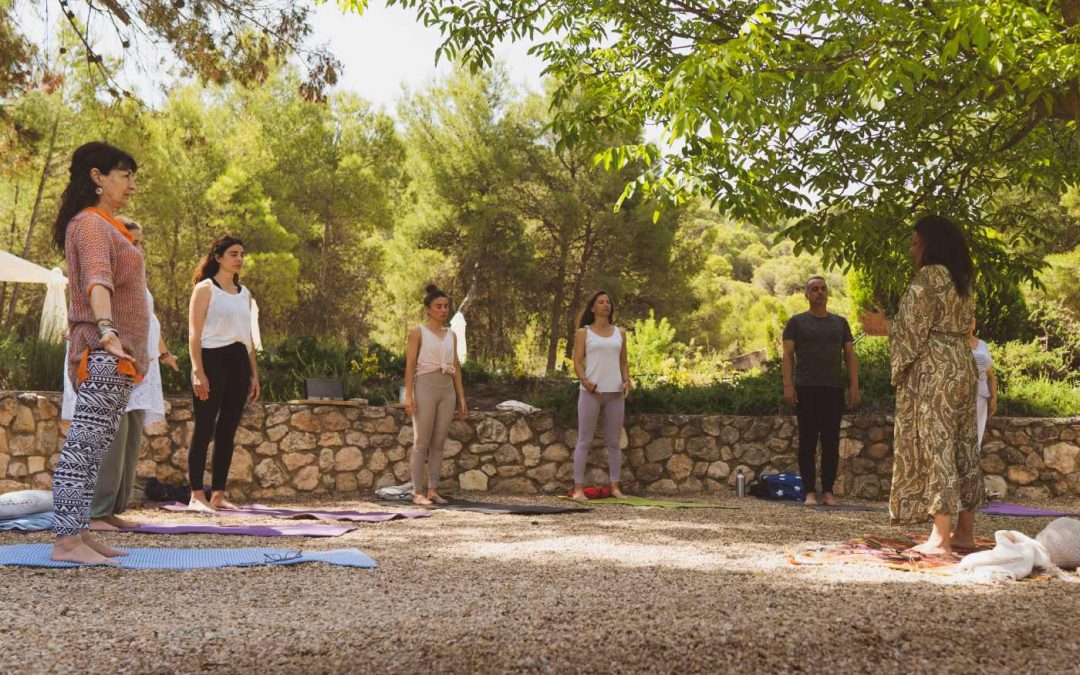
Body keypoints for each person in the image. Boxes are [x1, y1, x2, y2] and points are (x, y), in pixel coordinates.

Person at [860, 214, 982, 556]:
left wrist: (882, 326)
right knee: (964, 447)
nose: (912, 249)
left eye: (916, 243)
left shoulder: (928, 277)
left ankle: (940, 539)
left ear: (931, 244)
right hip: (962, 363)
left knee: (937, 445)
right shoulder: (962, 278)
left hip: (935, 371)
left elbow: (913, 329)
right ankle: (964, 534)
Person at [50, 141, 146, 564]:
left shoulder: (108, 225)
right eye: (124, 175)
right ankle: (66, 542)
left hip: (116, 358)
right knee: (83, 447)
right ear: (97, 177)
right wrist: (107, 329)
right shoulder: (90, 224)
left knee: (96, 447)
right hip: (102, 351)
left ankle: (80, 533)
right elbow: (96, 279)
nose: (131, 185)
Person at [61, 217, 180, 530]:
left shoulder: (134, 276)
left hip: (141, 366)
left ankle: (114, 508)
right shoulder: (103, 271)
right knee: (110, 440)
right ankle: (96, 512)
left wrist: (163, 353)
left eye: (139, 242)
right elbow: (88, 309)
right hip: (112, 360)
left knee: (130, 439)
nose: (136, 246)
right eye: (131, 240)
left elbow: (149, 320)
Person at [186, 235, 261, 511]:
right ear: (218, 257)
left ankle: (218, 494)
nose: (239, 258)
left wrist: (254, 375)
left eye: (242, 254)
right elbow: (194, 334)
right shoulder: (205, 289)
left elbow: (249, 338)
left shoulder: (245, 294)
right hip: (212, 360)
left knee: (228, 429)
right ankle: (196, 495)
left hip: (239, 362)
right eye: (233, 253)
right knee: (204, 427)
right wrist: (198, 370)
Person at [782, 275, 860, 506]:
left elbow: (850, 356)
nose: (820, 292)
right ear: (807, 294)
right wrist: (788, 386)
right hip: (806, 389)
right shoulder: (796, 322)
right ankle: (809, 492)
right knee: (807, 443)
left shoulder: (840, 323)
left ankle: (828, 491)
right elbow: (787, 356)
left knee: (831, 443)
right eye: (815, 289)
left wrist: (854, 386)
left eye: (823, 288)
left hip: (833, 389)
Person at [403, 284, 468, 505]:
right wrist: (409, 396)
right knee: (421, 441)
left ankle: (433, 490)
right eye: (438, 306)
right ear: (428, 309)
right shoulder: (418, 332)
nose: (443, 310)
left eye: (446, 306)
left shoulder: (452, 335)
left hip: (447, 391)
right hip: (425, 388)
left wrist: (461, 397)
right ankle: (417, 492)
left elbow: (456, 367)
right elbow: (410, 366)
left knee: (439, 442)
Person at [570, 290, 632, 500]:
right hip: (591, 393)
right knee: (584, 440)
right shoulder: (584, 333)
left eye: (608, 302)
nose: (606, 304)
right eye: (601, 302)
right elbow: (577, 363)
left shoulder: (620, 333)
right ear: (593, 307)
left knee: (614, 442)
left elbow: (623, 362)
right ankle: (578, 489)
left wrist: (627, 380)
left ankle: (615, 487)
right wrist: (585, 382)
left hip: (615, 393)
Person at [968, 318, 997, 446]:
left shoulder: (982, 345)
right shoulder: (955, 344)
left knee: (976, 437)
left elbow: (990, 375)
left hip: (980, 397)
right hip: (960, 396)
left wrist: (993, 397)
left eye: (972, 321)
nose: (970, 323)